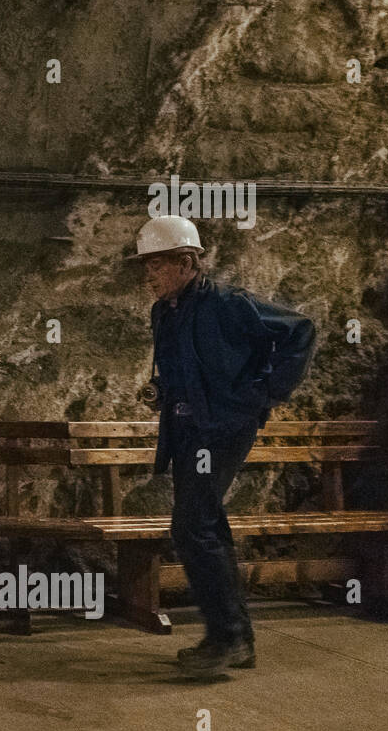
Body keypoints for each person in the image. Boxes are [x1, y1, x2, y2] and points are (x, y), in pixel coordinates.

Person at [134, 215, 315, 678]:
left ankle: (227, 637)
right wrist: (161, 390)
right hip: (188, 431)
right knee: (206, 525)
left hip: (223, 429)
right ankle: (238, 639)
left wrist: (265, 393)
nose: (148, 275)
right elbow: (181, 369)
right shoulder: (165, 312)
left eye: (155, 265)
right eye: (147, 266)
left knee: (191, 526)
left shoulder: (229, 304)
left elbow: (300, 330)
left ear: (185, 261)